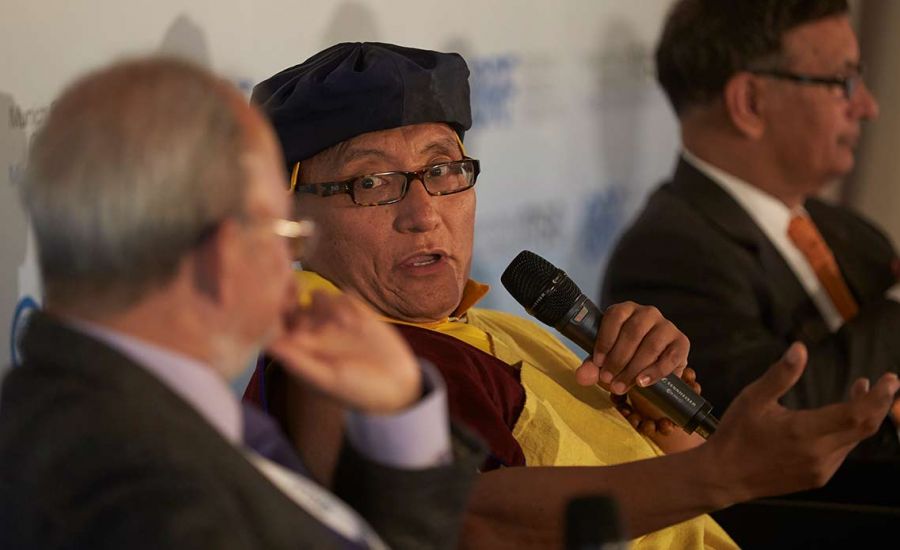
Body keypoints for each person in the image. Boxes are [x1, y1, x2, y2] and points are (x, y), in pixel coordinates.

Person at [244, 42, 899, 549]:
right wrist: (723, 470)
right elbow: (469, 522)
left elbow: (684, 499)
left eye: (443, 169)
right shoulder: (335, 359)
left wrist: (657, 419)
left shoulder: (499, 328)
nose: (424, 213)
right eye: (372, 183)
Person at [0, 57, 483, 550]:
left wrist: (403, 421)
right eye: (284, 230)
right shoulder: (144, 500)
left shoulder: (96, 415)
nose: (290, 262)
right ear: (227, 252)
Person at [601, 0, 900, 460]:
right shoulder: (667, 255)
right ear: (750, 103)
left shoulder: (851, 232)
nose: (867, 107)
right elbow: (771, 426)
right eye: (843, 82)